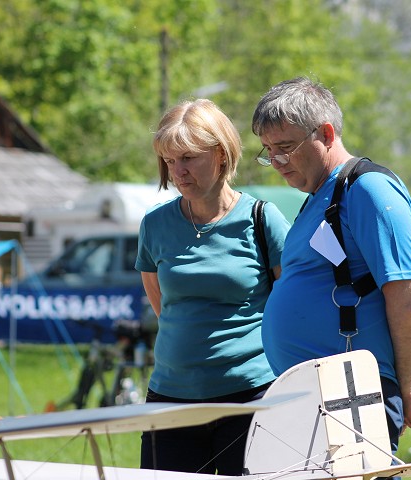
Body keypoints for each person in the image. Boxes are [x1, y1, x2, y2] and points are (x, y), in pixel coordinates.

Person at [251, 77, 411, 456]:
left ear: (327, 133)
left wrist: (402, 382)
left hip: (351, 392)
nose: (277, 163)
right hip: (313, 392)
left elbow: (410, 300)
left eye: (285, 148)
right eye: (268, 151)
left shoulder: (367, 189)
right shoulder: (319, 196)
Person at [135, 98, 290, 475]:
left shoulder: (262, 219)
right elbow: (162, 305)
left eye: (188, 157)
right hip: (171, 399)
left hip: (252, 397)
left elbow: (289, 308)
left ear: (220, 154)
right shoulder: (154, 225)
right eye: (170, 161)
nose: (178, 172)